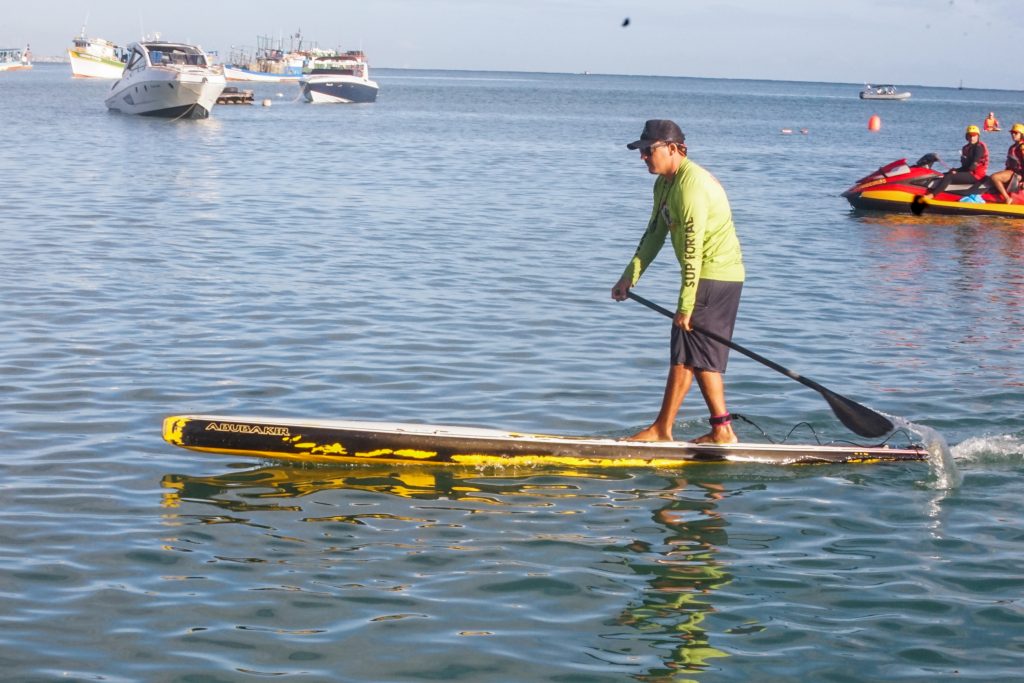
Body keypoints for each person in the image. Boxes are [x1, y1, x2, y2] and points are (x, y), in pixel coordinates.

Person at [611, 120, 745, 444]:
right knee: (689, 352)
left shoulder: (690, 186)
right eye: (641, 151)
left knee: (692, 351)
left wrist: (686, 305)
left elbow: (692, 249)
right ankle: (704, 428)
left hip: (714, 274)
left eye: (648, 150)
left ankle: (697, 430)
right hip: (705, 275)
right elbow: (654, 234)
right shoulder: (664, 185)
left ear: (672, 149)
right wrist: (629, 276)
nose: (643, 157)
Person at [923, 125, 989, 201]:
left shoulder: (979, 148)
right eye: (969, 135)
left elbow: (972, 167)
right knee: (944, 175)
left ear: (978, 136)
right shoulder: (966, 148)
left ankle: (932, 195)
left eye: (974, 135)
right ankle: (929, 191)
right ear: (966, 137)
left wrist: (958, 171)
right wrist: (956, 170)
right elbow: (966, 166)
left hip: (977, 176)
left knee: (949, 177)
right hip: (970, 173)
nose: (972, 137)